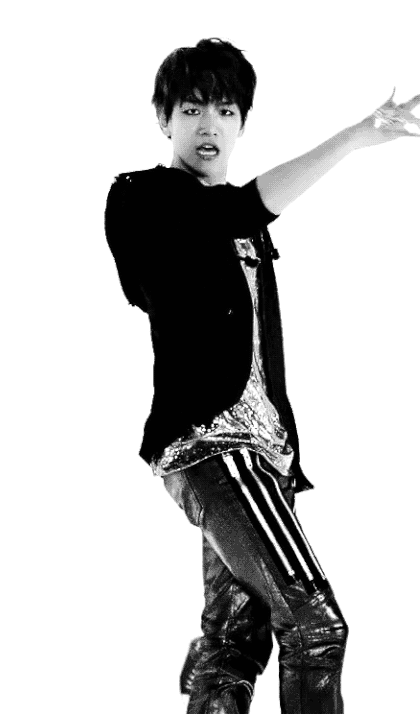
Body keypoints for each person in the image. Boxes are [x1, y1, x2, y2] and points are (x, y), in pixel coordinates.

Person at [104, 37, 420, 714]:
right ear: (164, 118)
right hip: (211, 444)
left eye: (226, 110)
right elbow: (227, 215)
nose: (210, 125)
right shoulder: (142, 199)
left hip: (264, 455)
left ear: (242, 123)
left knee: (232, 647)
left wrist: (284, 451)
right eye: (192, 109)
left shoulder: (242, 220)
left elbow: (240, 227)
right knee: (315, 625)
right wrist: (355, 136)